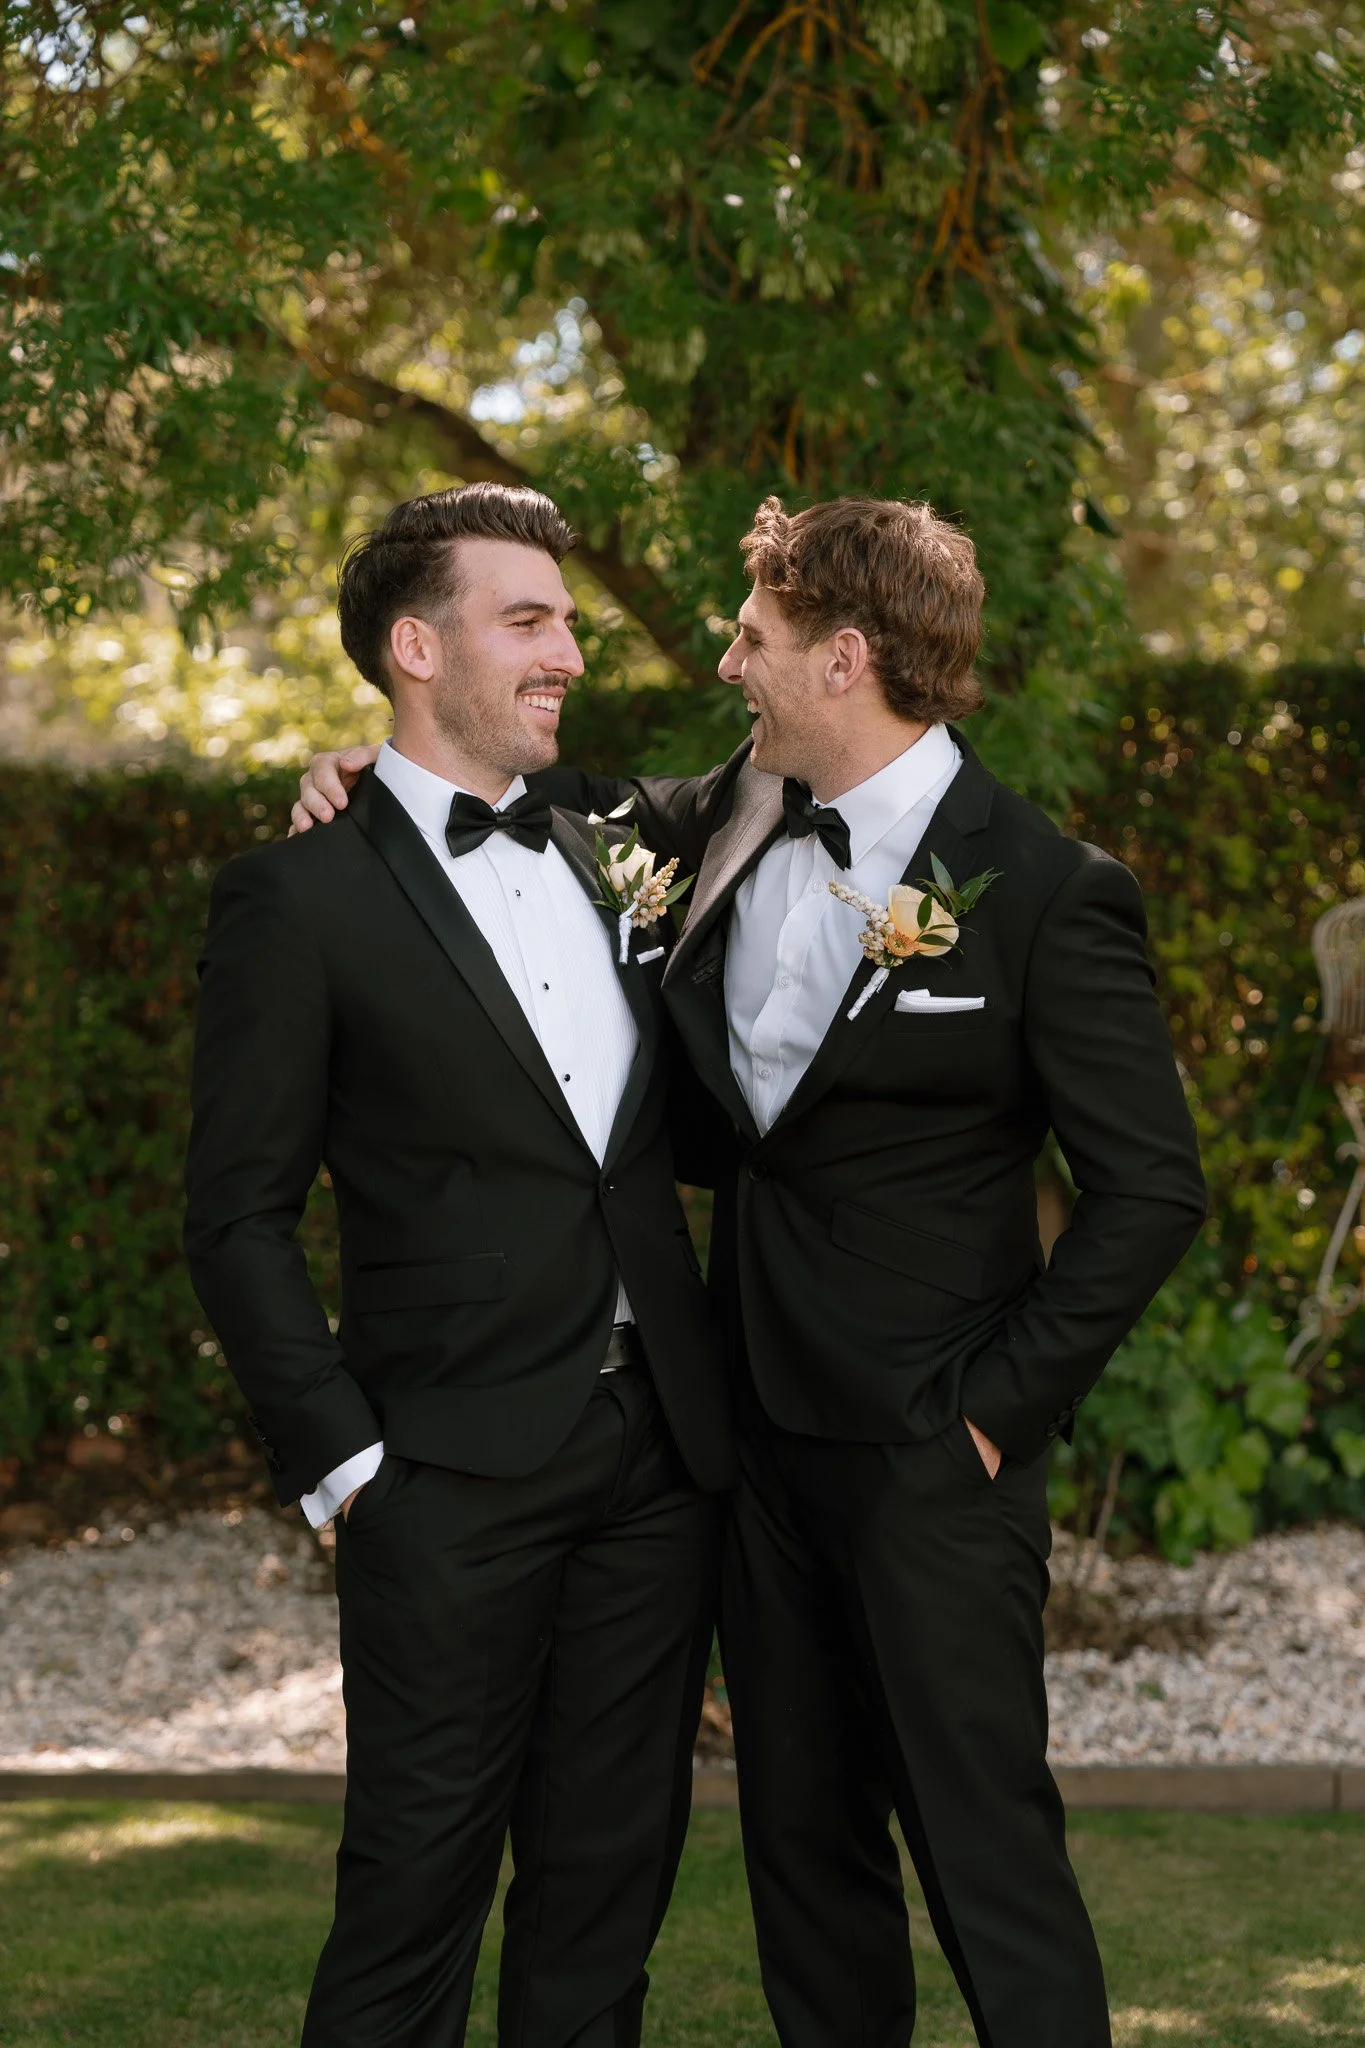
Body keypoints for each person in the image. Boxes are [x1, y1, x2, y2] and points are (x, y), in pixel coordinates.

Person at [295, 492, 1207, 2048]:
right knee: (804, 1855)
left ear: (844, 657)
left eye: (754, 639)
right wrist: (348, 779)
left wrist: (994, 1413)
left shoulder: (1049, 891)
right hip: (752, 1452)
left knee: (987, 1854)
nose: (729, 664)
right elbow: (491, 814)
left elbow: (1151, 1193)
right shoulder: (711, 822)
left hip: (934, 1455)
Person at [185, 481, 734, 2048]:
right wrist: (348, 1467)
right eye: (530, 620)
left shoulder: (626, 834)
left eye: (563, 620)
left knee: (605, 1897)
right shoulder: (299, 896)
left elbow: (812, 781)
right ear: (416, 647)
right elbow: (233, 1214)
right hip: (443, 1477)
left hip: (659, 1460)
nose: (569, 648)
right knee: (411, 1903)